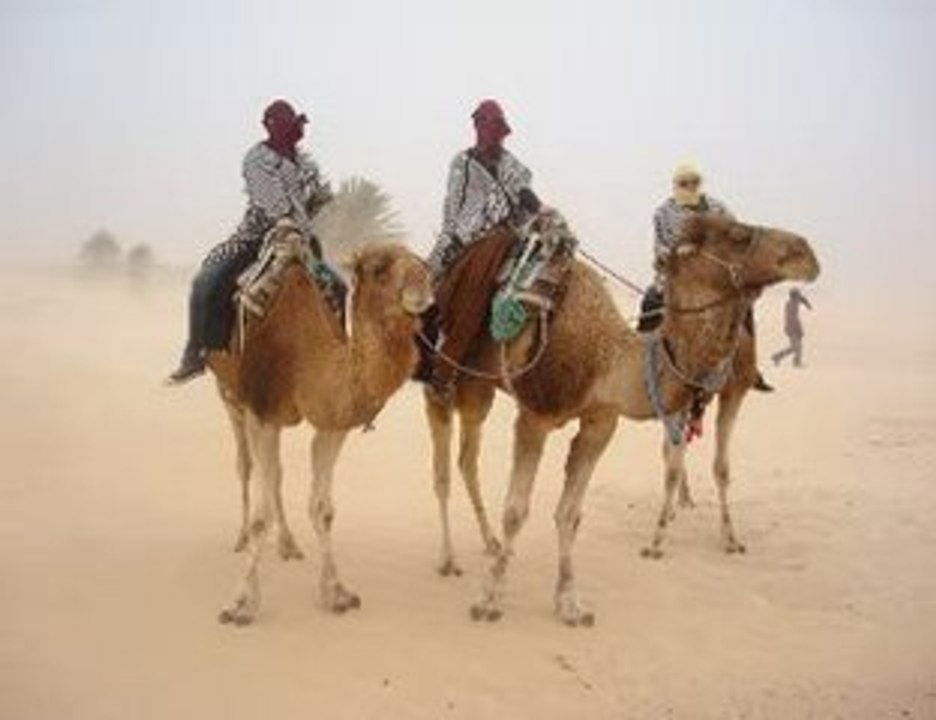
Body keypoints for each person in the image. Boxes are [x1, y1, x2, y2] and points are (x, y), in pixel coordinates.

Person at [167, 99, 333, 384]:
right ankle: (195, 354)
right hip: (256, 238)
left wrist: (317, 202)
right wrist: (286, 218)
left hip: (302, 240)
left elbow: (314, 199)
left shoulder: (307, 163)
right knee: (206, 282)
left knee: (339, 287)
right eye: (286, 123)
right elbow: (269, 199)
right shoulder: (257, 158)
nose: (293, 129)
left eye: (293, 123)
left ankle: (337, 356)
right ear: (269, 126)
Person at [419, 100, 542, 395]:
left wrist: (534, 206)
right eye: (488, 126)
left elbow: (526, 203)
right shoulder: (462, 164)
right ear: (477, 127)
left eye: (497, 128)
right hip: (469, 240)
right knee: (439, 292)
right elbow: (454, 213)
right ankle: (442, 366)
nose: (493, 133)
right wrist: (441, 254)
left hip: (512, 236)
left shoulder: (516, 168)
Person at [639, 162, 774, 392]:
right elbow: (660, 248)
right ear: (676, 185)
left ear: (699, 184)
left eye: (693, 182)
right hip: (676, 277)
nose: (689, 186)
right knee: (651, 301)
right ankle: (643, 362)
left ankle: (749, 369)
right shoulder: (663, 213)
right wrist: (677, 255)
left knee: (744, 307)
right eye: (684, 183)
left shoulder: (718, 209)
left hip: (715, 279)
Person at [772, 288, 812, 367]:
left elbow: (802, 299)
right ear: (794, 296)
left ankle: (779, 357)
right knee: (796, 347)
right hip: (793, 327)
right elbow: (792, 318)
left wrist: (806, 303)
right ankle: (793, 361)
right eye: (797, 295)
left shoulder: (790, 303)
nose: (799, 296)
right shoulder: (793, 304)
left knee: (795, 347)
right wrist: (798, 329)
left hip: (791, 327)